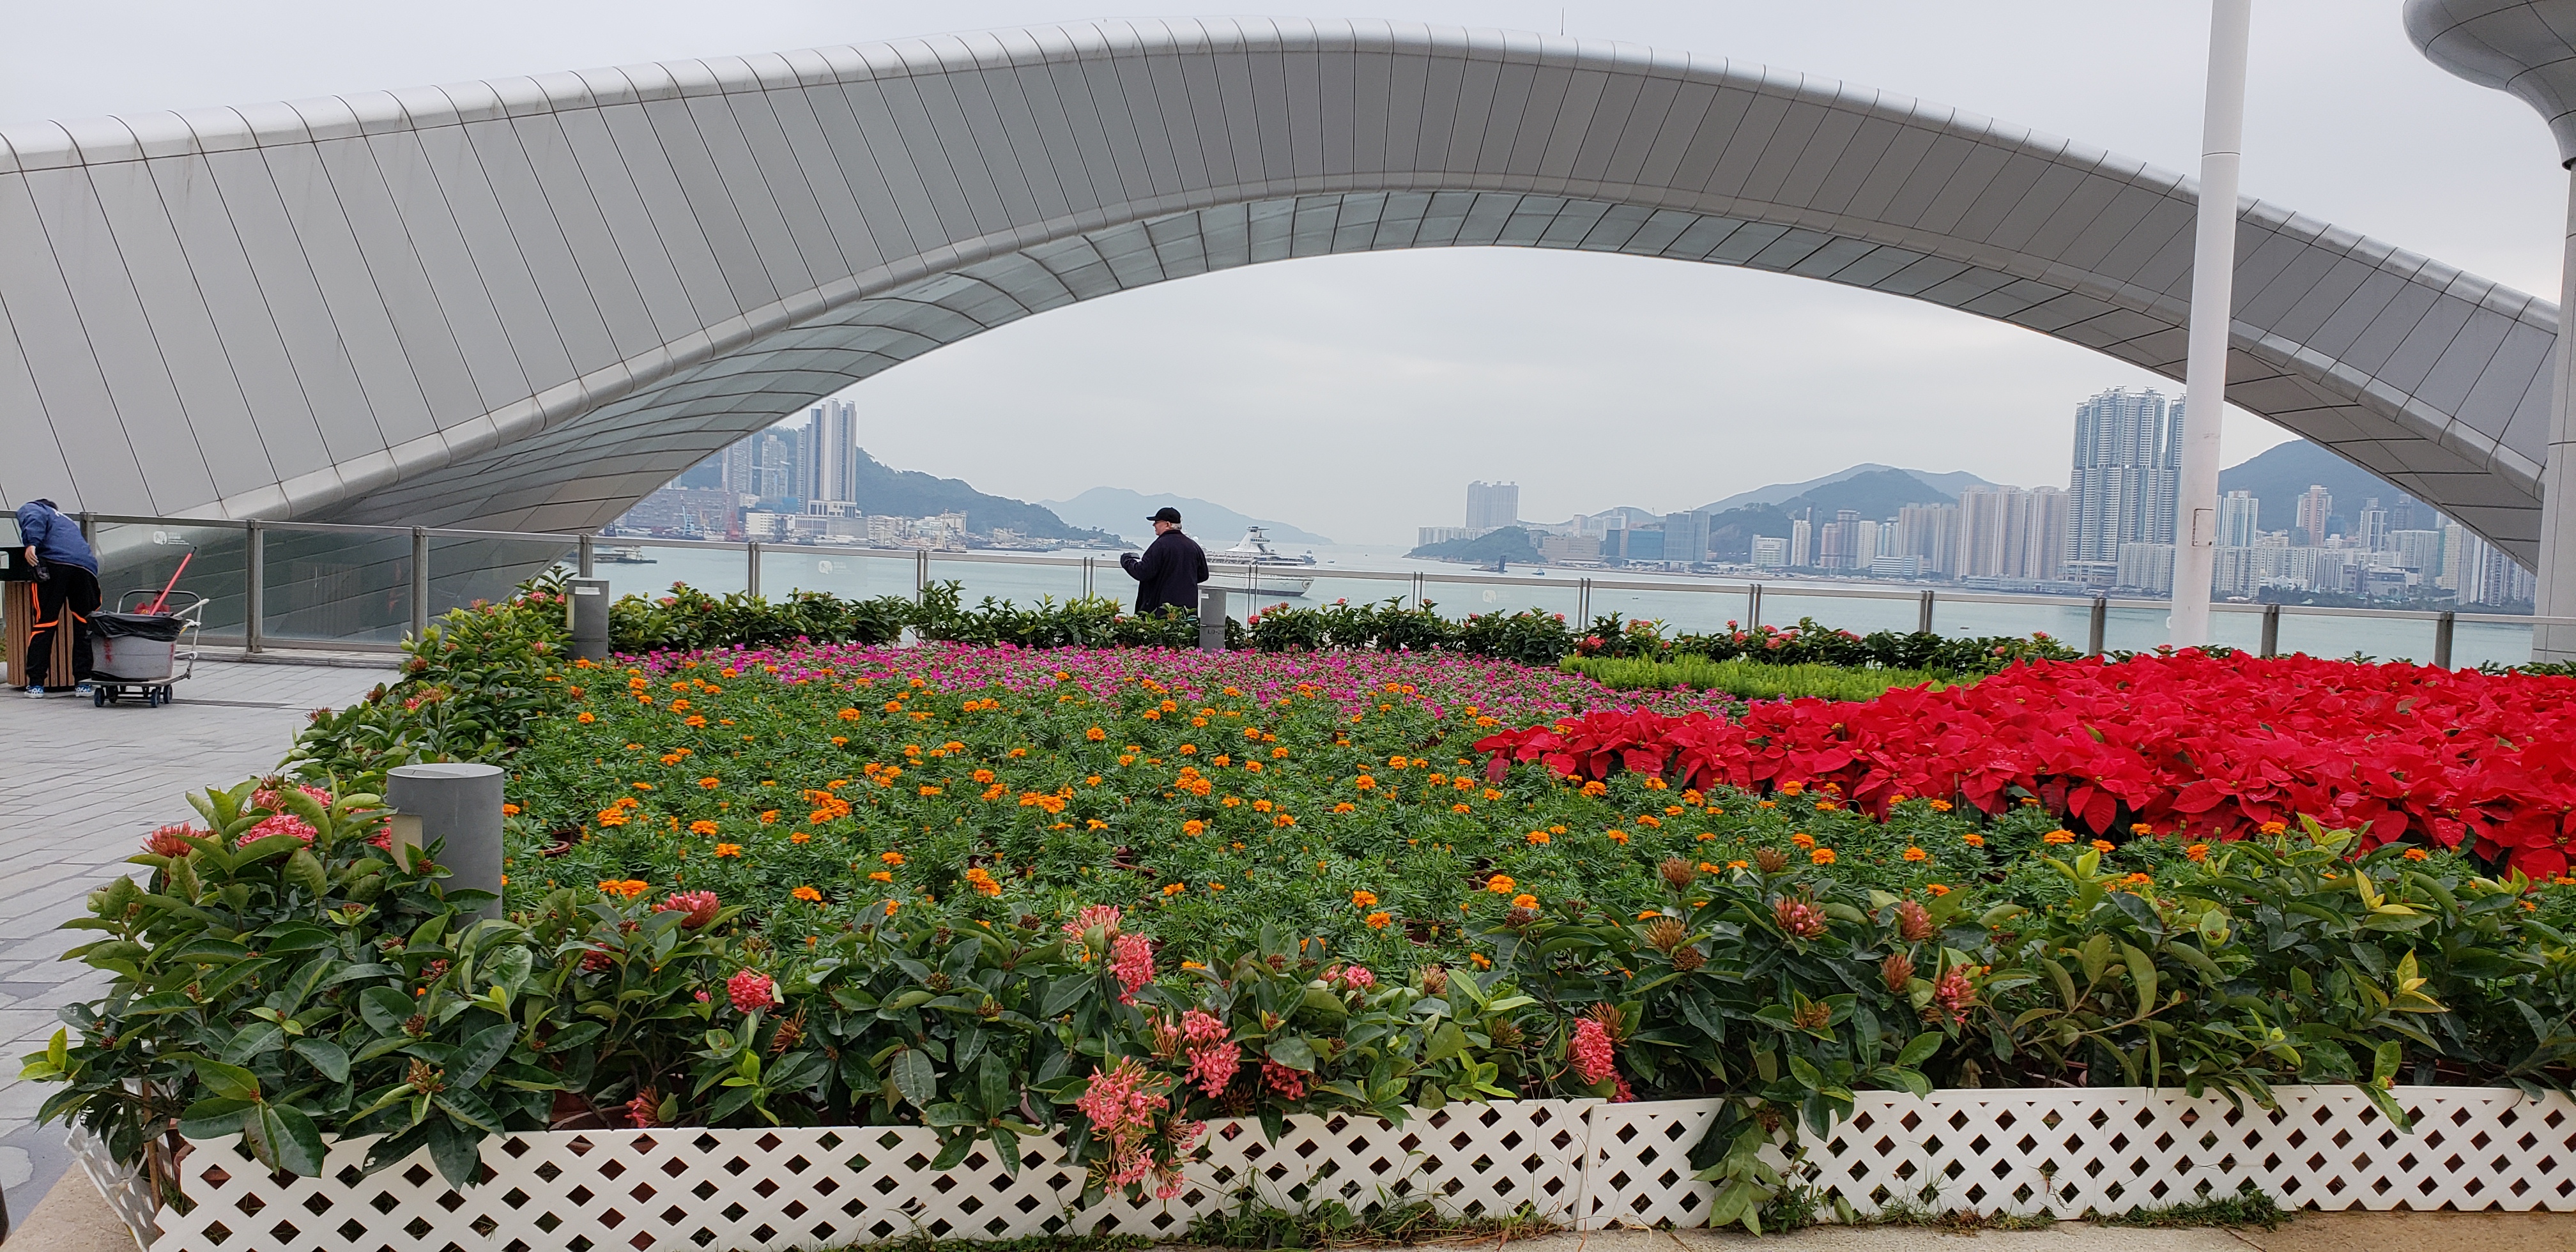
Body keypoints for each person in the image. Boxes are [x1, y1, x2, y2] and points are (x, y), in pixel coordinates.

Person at [16, 499, 98, 697]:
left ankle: (36, 684)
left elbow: (33, 517)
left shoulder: (35, 508)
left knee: (45, 623)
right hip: (85, 568)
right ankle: (84, 682)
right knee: (83, 624)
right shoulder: (67, 521)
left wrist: (31, 545)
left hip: (55, 565)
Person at [1120, 507, 1208, 615]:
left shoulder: (1160, 545)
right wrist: (1183, 582)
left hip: (1161, 611)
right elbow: (1204, 575)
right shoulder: (1193, 546)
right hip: (1188, 610)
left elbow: (1143, 572)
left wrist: (1127, 561)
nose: (1154, 525)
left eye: (1157, 522)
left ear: (1167, 524)